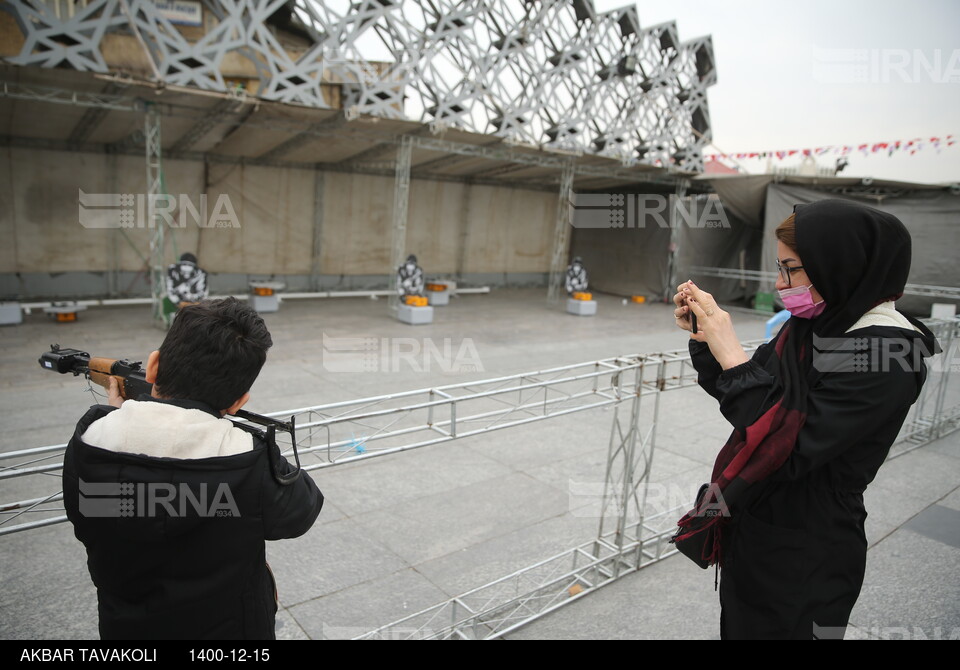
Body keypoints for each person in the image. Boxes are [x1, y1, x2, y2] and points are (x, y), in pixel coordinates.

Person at [671, 199, 939, 639]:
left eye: (791, 269)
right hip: (760, 527)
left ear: (839, 263)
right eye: (779, 268)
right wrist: (708, 339)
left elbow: (787, 448)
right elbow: (748, 402)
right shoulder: (812, 326)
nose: (780, 283)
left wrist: (731, 351)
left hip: (810, 547)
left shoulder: (891, 352)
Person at [62, 297, 323, 640]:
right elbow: (303, 509)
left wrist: (125, 414)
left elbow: (106, 509)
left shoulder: (89, 444)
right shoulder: (250, 462)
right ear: (238, 402)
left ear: (153, 367)